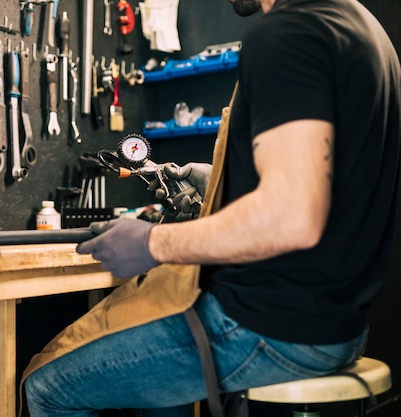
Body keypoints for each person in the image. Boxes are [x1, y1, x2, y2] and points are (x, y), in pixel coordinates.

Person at [22, 0, 401, 416]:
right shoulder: (363, 29)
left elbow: (292, 218)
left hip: (271, 326)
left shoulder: (287, 33)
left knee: (48, 386)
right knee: (153, 389)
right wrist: (220, 184)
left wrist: (153, 242)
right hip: (341, 325)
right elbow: (328, 189)